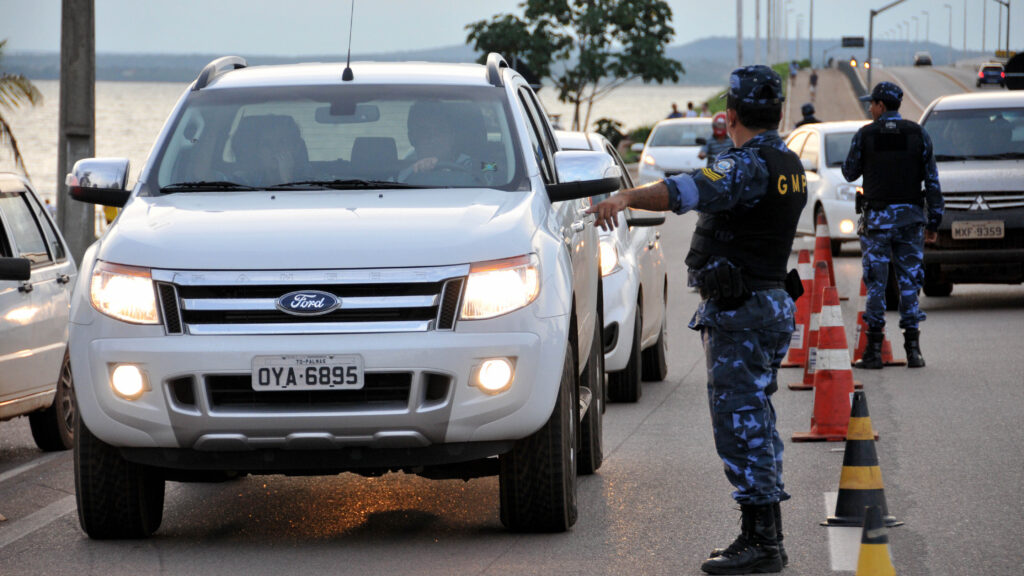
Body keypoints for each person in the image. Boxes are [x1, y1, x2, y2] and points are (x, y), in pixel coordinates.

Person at [588, 65, 805, 575]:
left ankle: (762, 542)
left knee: (740, 425)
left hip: (744, 312)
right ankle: (766, 535)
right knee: (756, 420)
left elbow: (686, 191)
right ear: (778, 112)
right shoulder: (788, 161)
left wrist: (625, 197)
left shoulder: (748, 165)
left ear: (730, 115)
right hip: (767, 303)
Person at [842, 81, 943, 369]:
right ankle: (913, 351)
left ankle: (874, 352)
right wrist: (934, 221)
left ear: (881, 106)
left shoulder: (866, 135)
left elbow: (849, 173)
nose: (869, 109)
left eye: (872, 104)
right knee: (909, 282)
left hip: (877, 221)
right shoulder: (918, 134)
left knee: (876, 283)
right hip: (911, 220)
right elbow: (932, 182)